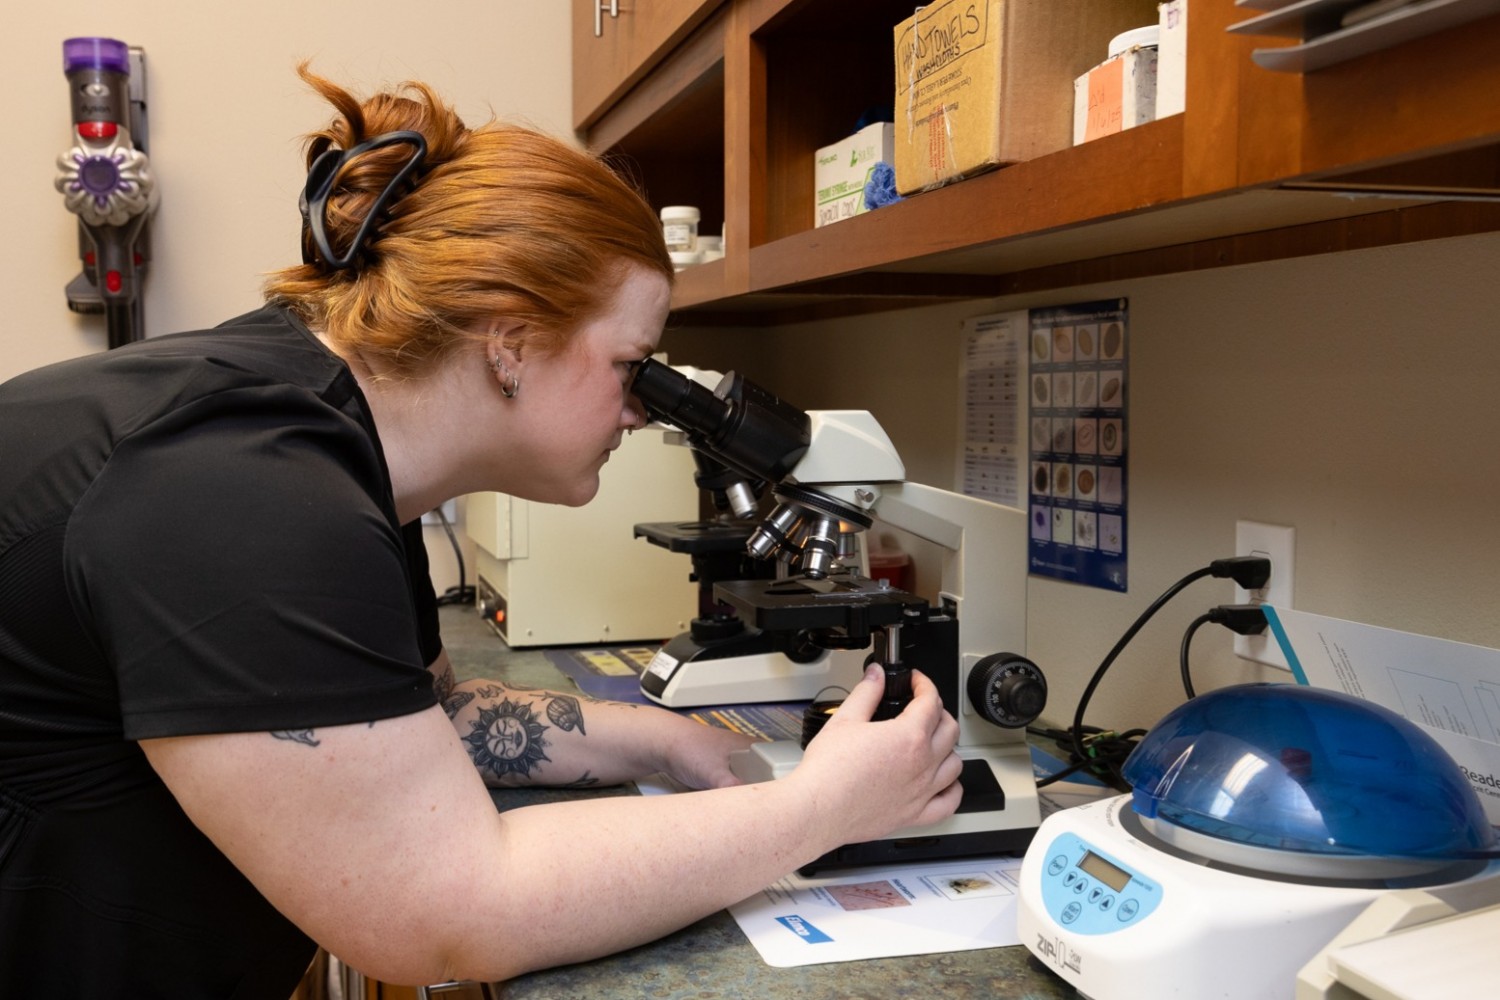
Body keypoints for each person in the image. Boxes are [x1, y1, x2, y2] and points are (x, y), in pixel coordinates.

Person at [0, 67, 963, 996]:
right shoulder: (247, 490)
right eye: (632, 367)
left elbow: (414, 720)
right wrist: (820, 810)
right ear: (510, 341)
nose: (642, 413)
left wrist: (665, 744)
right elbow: (443, 911)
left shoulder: (320, 443)